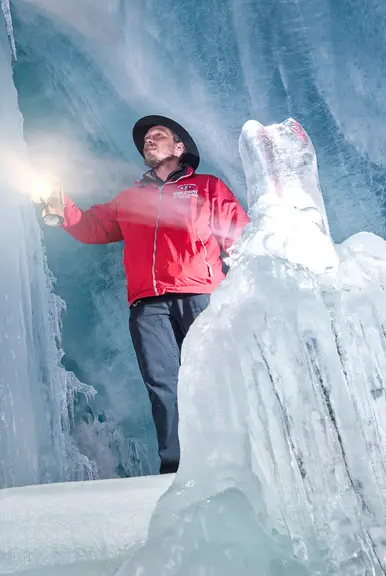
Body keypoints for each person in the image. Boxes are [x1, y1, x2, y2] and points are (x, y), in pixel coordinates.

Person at [39, 115, 248, 474]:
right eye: (146, 139)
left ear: (179, 148)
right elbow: (92, 226)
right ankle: (177, 466)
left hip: (200, 296)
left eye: (158, 136)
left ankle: (234, 459)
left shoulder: (206, 187)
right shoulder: (130, 198)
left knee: (214, 378)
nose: (149, 141)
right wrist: (63, 207)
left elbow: (239, 235)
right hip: (147, 305)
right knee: (163, 386)